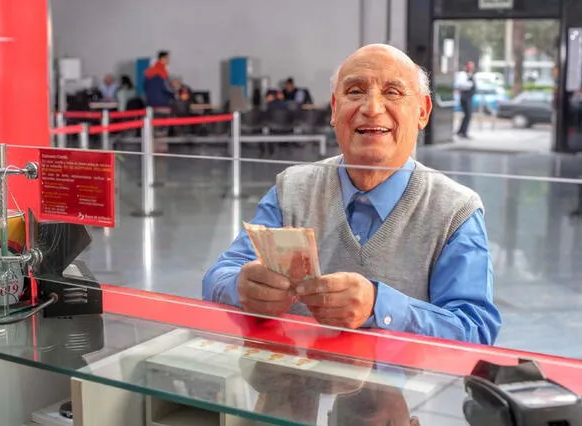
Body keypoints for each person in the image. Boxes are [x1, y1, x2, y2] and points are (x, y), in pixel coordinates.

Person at [202, 44, 501, 345]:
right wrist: (242, 286)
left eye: (393, 93)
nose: (371, 108)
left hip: (409, 391)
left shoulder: (455, 211)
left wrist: (378, 307)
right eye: (355, 91)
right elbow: (217, 276)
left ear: (422, 111)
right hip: (293, 383)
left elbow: (475, 330)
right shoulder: (292, 189)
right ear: (335, 108)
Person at [457, 61, 476, 139]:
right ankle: (463, 132)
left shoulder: (471, 74)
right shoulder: (463, 74)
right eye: (470, 66)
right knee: (468, 114)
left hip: (469, 97)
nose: (471, 68)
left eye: (472, 66)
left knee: (468, 115)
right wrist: (470, 84)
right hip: (465, 98)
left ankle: (461, 131)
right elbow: (460, 84)